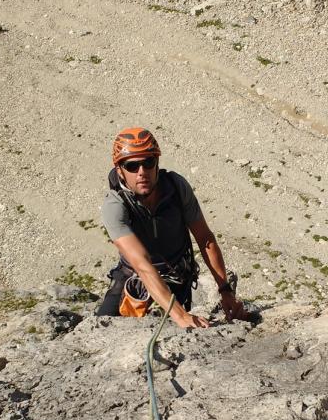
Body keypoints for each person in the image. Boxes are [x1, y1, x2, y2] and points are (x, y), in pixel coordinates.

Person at [97, 127, 249, 328]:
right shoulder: (115, 205)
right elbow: (141, 264)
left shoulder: (176, 188)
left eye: (148, 162)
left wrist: (226, 292)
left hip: (177, 280)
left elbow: (205, 239)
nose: (142, 172)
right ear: (120, 171)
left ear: (157, 163)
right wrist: (180, 316)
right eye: (132, 166)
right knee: (101, 326)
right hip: (134, 280)